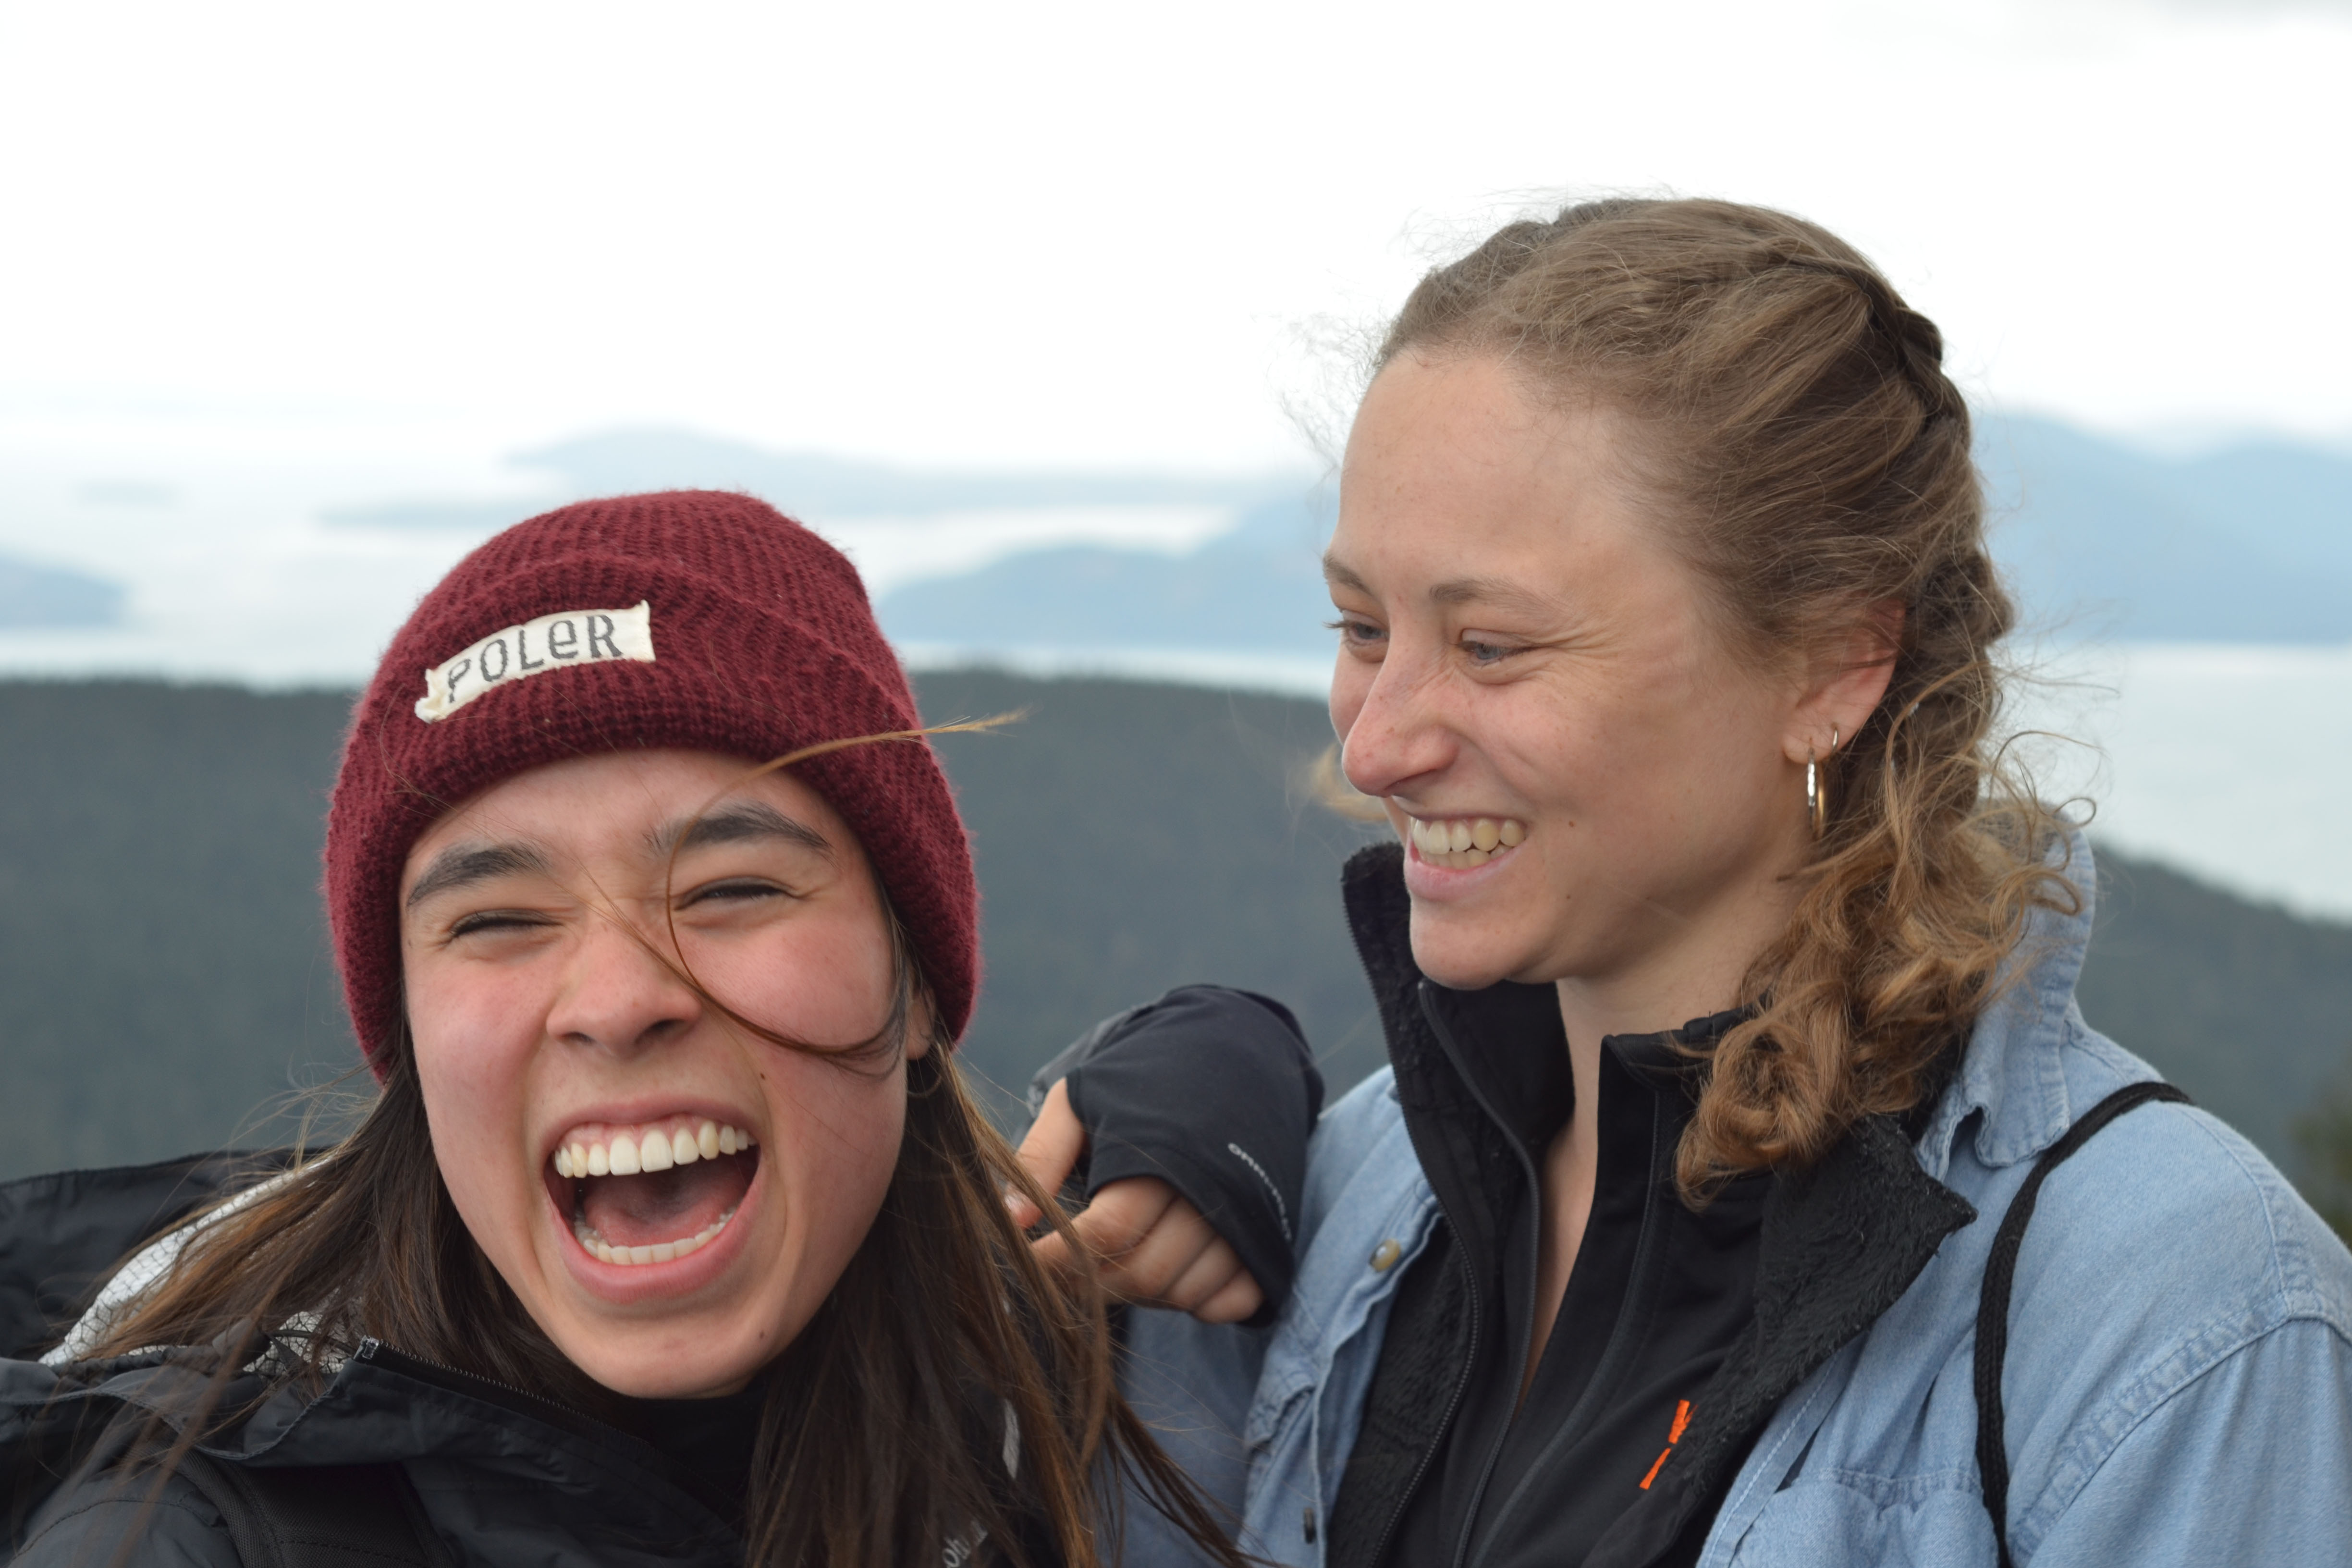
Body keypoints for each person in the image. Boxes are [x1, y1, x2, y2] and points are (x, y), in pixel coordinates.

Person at [1020, 198, 2352, 1566]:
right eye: (1362, 627)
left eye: (1492, 646)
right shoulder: (1365, 1189)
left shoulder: (2178, 1310)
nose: (1374, 743)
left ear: (1833, 666)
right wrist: (1167, 1142)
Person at [0, 491, 1242, 1567]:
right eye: (495, 918)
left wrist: (1236, 1080)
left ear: (911, 984)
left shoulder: (1044, 1395)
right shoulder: (177, 1530)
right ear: (416, 1048)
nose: (614, 1000)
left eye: (731, 890)